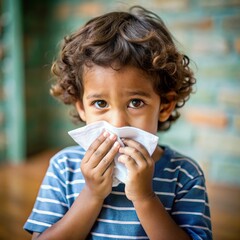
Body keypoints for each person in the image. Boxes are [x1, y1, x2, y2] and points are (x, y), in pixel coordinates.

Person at [24, 5, 212, 240]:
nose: (117, 122)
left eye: (135, 102)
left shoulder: (184, 174)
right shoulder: (64, 168)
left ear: (165, 106)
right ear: (81, 107)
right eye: (101, 104)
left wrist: (145, 198)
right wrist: (92, 194)